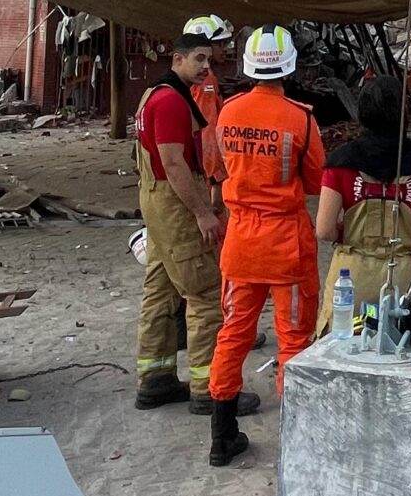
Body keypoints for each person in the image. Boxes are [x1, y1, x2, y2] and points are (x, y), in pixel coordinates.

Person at [204, 25, 324, 467]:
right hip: (286, 244)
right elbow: (316, 180)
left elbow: (216, 167)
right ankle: (297, 442)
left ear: (249, 66)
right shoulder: (301, 118)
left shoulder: (228, 111)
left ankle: (221, 438)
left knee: (233, 333)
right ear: (288, 67)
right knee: (293, 339)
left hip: (240, 242)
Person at [133, 30, 253, 418]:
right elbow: (174, 164)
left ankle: (155, 378)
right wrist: (203, 212)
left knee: (160, 289)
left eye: (209, 59)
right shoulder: (171, 102)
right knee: (203, 293)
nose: (206, 66)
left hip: (155, 203)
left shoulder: (153, 95)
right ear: (177, 59)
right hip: (176, 205)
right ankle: (209, 389)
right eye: (199, 59)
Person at [316, 77, 411, 334]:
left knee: (342, 353)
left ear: (362, 111)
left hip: (351, 282)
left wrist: (349, 233)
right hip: (406, 284)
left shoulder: (340, 162)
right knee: (405, 352)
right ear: (404, 113)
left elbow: (324, 230)